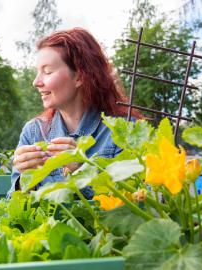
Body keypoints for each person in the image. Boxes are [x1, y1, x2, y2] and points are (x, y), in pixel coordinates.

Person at [8, 28, 140, 197]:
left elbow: (134, 204)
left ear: (79, 77)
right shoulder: (33, 132)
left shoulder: (123, 130)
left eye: (47, 72)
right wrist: (24, 182)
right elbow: (14, 210)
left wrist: (80, 172)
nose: (36, 82)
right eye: (37, 72)